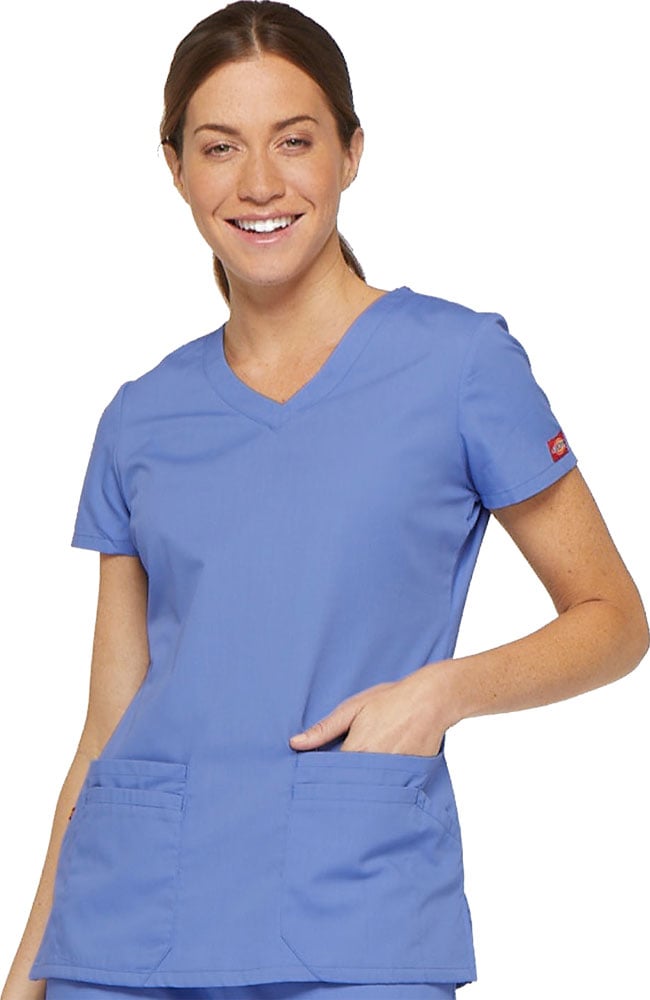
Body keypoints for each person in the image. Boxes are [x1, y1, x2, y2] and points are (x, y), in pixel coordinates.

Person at [2, 2, 647, 1000]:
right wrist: (26, 970)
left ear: (351, 152)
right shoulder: (140, 416)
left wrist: (440, 692)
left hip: (352, 922)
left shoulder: (460, 365)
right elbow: (107, 723)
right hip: (121, 934)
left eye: (294, 141)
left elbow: (612, 618)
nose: (259, 183)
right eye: (220, 147)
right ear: (175, 167)